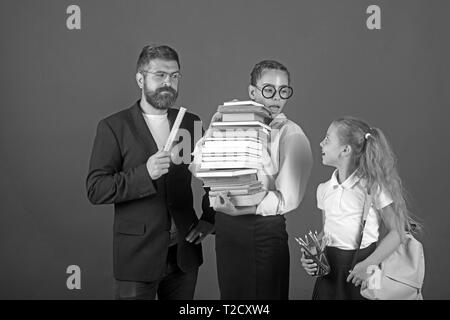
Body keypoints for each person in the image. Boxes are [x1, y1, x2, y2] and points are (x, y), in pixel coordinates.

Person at [86, 45, 215, 300]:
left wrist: (210, 218)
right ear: (140, 78)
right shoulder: (114, 127)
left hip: (183, 256)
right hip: (137, 258)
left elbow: (211, 176)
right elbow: (96, 189)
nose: (168, 82)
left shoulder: (190, 123)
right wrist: (145, 173)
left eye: (174, 76)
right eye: (160, 75)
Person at [193, 60, 313, 299]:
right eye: (268, 89)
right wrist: (216, 130)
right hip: (227, 230)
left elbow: (288, 198)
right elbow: (198, 167)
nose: (276, 98)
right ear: (252, 92)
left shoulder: (291, 134)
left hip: (263, 231)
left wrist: (244, 206)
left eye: (283, 91)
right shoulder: (229, 122)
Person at [301, 116, 421, 299]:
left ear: (345, 150)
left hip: (366, 270)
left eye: (327, 139)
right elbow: (327, 232)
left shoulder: (372, 188)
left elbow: (398, 232)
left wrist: (369, 264)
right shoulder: (324, 190)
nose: (320, 143)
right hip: (330, 272)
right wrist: (313, 255)